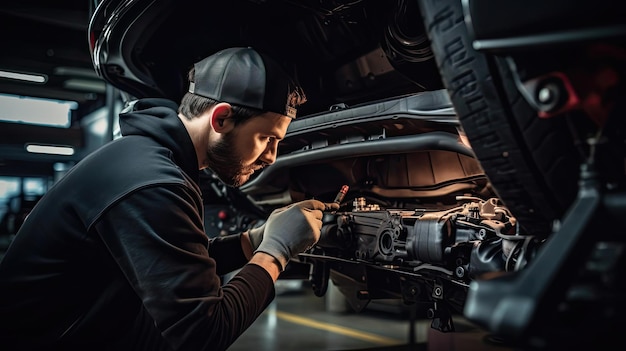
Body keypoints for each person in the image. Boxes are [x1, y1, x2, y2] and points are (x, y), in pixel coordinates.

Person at [0, 47, 339, 350]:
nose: (271, 157)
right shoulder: (153, 182)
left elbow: (175, 264)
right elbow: (203, 333)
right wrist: (275, 252)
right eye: (266, 138)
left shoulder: (149, 160)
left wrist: (254, 241)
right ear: (220, 119)